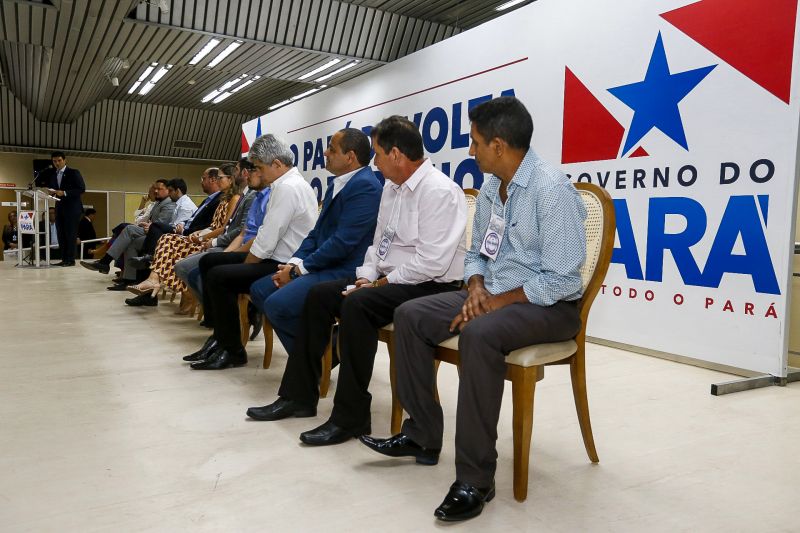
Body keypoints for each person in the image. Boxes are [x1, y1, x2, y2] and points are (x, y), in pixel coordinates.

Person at [359, 97, 587, 522]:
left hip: (549, 305)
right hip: (493, 293)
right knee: (411, 315)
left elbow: (561, 279)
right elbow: (477, 254)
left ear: (498, 145)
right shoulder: (491, 189)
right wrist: (478, 287)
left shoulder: (551, 190)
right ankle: (422, 434)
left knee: (480, 334)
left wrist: (496, 302)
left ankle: (476, 478)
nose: (470, 150)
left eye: (475, 142)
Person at [246, 117, 467, 451]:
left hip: (430, 284)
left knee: (357, 305)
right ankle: (298, 396)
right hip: (389, 279)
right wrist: (367, 275)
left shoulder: (439, 191)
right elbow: (378, 245)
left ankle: (350, 416)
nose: (374, 162)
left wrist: (380, 284)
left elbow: (432, 262)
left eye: (377, 154)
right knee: (320, 296)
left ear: (396, 154)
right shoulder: (392, 189)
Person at [244, 127, 383, 360]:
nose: (325, 153)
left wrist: (298, 271)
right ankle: (319, 352)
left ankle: (312, 363)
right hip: (323, 264)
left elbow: (342, 243)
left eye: (332, 149)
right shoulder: (337, 184)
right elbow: (316, 233)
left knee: (278, 304)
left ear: (350, 157)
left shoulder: (366, 186)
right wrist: (292, 263)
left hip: (345, 270)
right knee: (260, 290)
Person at [185, 134, 317, 370]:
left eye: (259, 168)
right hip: (274, 255)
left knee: (219, 276)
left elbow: (267, 238)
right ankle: (219, 337)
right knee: (209, 262)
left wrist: (244, 264)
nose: (257, 173)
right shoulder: (286, 185)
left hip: (282, 262)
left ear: (277, 164)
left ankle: (233, 350)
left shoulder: (287, 188)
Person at [124, 163, 241, 307]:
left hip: (212, 240)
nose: (217, 180)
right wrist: (200, 232)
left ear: (230, 179)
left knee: (167, 240)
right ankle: (152, 279)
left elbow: (224, 228)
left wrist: (202, 236)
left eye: (220, 177)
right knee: (166, 239)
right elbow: (213, 225)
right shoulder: (224, 199)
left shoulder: (234, 199)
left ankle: (153, 278)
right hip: (205, 235)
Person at [173, 159, 257, 314]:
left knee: (186, 264)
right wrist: (204, 236)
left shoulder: (244, 197)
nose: (218, 181)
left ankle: (216, 311)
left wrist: (211, 241)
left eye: (220, 177)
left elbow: (234, 230)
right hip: (227, 242)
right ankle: (213, 310)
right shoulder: (237, 197)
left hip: (233, 245)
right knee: (180, 259)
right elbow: (226, 227)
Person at [80, 179, 175, 284]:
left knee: (128, 228)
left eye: (159, 189)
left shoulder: (169, 204)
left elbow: (160, 226)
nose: (156, 191)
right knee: (130, 242)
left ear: (168, 190)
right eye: (155, 189)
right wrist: (147, 224)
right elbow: (140, 218)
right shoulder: (158, 203)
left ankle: (105, 261)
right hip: (149, 231)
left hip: (158, 236)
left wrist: (149, 225)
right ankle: (128, 279)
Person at [38, 151, 85, 266]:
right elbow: (54, 189)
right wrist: (51, 192)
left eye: (59, 160)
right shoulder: (53, 175)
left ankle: (71, 260)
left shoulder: (73, 172)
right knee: (61, 234)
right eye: (54, 161)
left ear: (64, 160)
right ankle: (64, 259)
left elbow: (81, 189)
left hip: (72, 209)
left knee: (70, 234)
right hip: (59, 208)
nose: (57, 163)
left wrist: (64, 193)